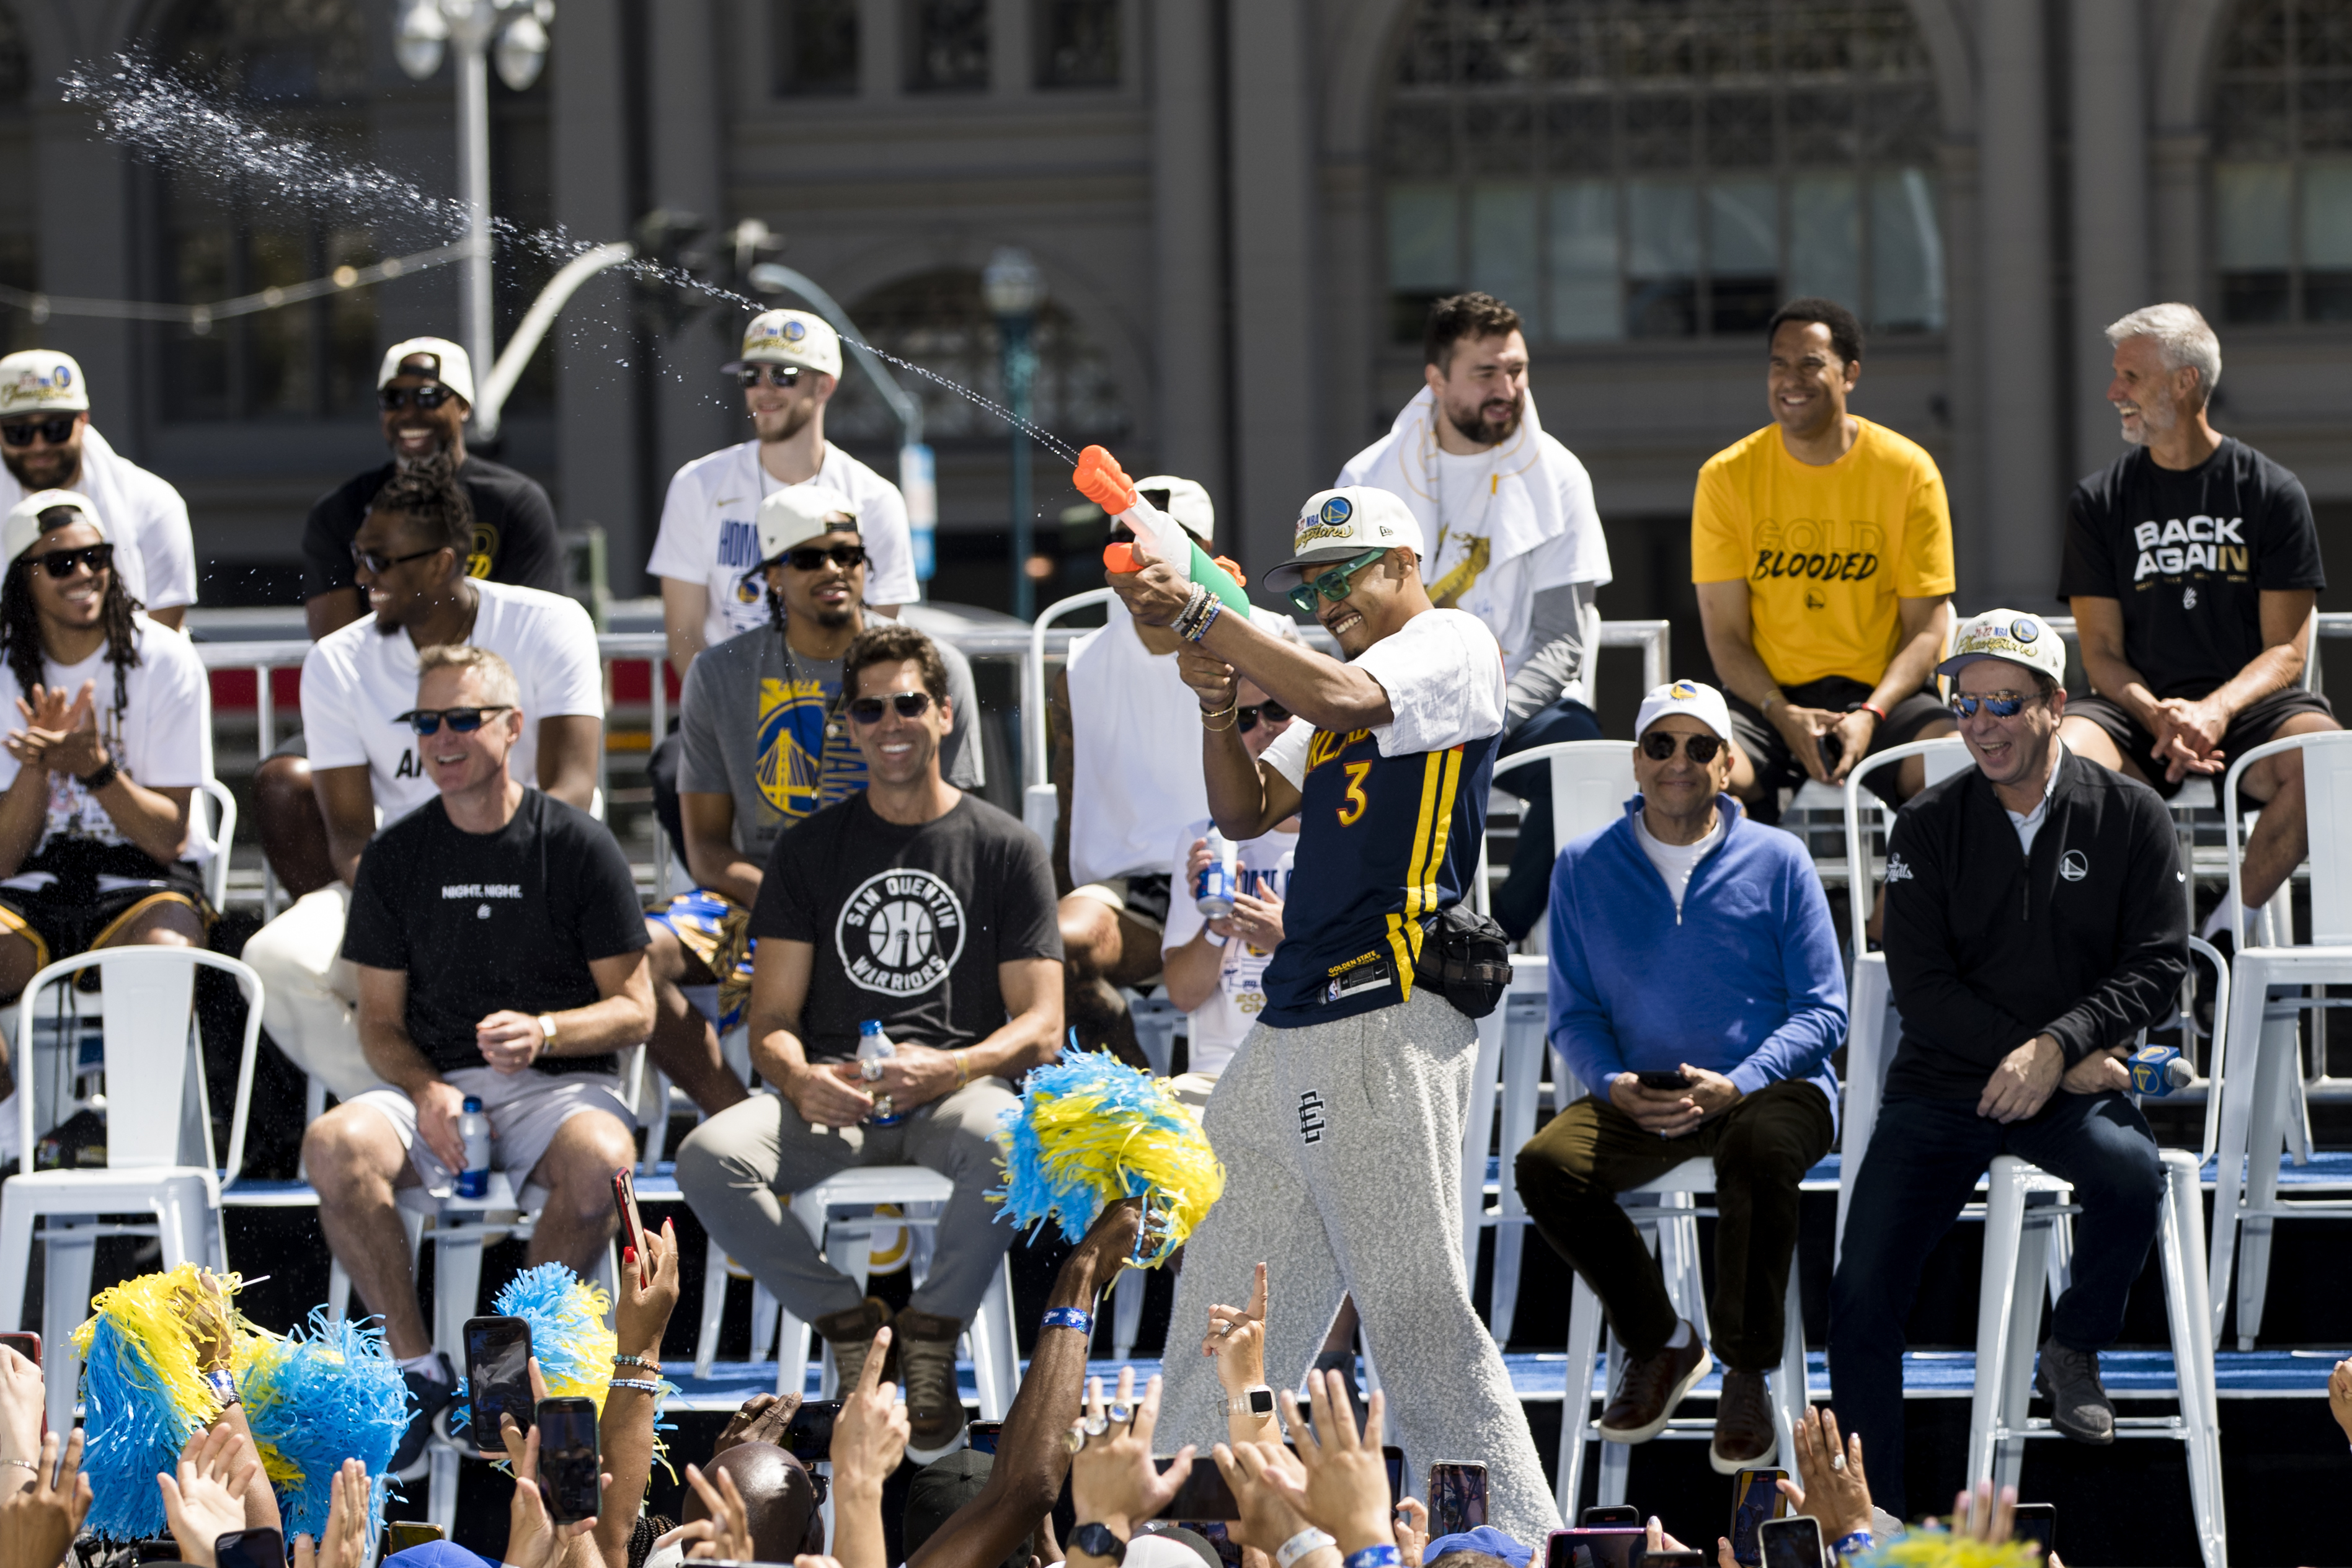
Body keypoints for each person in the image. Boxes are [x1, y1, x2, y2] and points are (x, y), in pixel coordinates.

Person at [1105, 482, 1559, 1538]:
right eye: (1309, 583)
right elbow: (1244, 808)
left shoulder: (1446, 640)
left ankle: (1517, 1545)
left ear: (1405, 561)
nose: (1324, 596)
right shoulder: (1343, 677)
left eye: (1340, 573)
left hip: (1381, 1008)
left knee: (1413, 1316)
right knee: (1220, 1311)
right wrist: (1215, 696)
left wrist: (1207, 617)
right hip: (1295, 1015)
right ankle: (1185, 1528)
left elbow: (1347, 697)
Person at [675, 622, 1062, 1456]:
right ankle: (849, 1325)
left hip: (952, 1090)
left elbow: (1042, 1023)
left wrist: (952, 1065)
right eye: (870, 707)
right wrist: (796, 1077)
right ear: (849, 725)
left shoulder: (1006, 846)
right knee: (706, 1157)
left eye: (909, 703)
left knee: (1008, 1137)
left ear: (945, 714)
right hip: (835, 1097)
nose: (891, 721)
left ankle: (930, 1333)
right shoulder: (810, 851)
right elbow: (771, 1023)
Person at [1829, 609, 2183, 1517]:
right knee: (1859, 1295)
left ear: (2055, 706)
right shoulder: (1926, 823)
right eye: (1963, 703)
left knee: (2131, 1174)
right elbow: (1922, 984)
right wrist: (2040, 1055)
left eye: (2003, 703)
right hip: (1946, 1077)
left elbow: (2160, 965)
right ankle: (1878, 1525)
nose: (1978, 724)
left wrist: (2056, 1048)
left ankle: (2073, 1342)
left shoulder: (2130, 813)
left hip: (2066, 1070)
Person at [300, 644, 653, 1477]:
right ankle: (417, 1370)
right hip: (441, 1085)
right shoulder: (397, 853)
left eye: (463, 718)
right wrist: (424, 1090)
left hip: (559, 1084)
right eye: (426, 722)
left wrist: (547, 1032)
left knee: (606, 1160)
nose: (443, 738)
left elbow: (636, 1008)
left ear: (514, 727)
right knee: (333, 1144)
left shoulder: (575, 843)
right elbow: (380, 1024)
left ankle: (507, 1377)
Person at [1512, 678, 1845, 1472]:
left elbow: (1824, 1011)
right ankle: (1661, 1340)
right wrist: (1610, 1082)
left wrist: (1743, 1078)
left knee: (1760, 1151)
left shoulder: (1781, 858)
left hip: (1771, 1087)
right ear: (1636, 761)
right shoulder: (1582, 866)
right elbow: (1576, 1014)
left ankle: (1746, 1372)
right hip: (1645, 1089)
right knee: (1545, 1165)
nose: (1678, 763)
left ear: (1728, 766)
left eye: (1700, 747)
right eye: (1661, 744)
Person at [242, 464, 605, 1102]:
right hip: (403, 885)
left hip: (540, 874)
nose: (360, 577)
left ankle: (526, 1119)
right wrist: (426, 909)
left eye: (379, 561)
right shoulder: (336, 661)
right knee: (276, 961)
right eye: (359, 556)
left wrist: (488, 890)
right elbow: (352, 835)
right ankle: (423, 1112)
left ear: (441, 564)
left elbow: (571, 790)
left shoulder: (551, 623)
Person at [643, 484, 982, 1118]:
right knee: (635, 954)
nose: (833, 571)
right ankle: (736, 1122)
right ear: (771, 576)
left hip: (900, 898)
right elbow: (709, 849)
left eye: (848, 556)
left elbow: (957, 830)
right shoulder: (718, 674)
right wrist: (796, 902)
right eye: (808, 558)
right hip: (765, 897)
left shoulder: (930, 670)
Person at [2055, 303, 2336, 946]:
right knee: (2059, 760)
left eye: (2129, 376)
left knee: (2326, 760)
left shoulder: (2270, 491)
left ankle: (2228, 929)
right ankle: (2153, 933)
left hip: (2247, 706)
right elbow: (2098, 651)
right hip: (2134, 712)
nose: (2112, 392)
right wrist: (2160, 715)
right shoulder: (2098, 501)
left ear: (2183, 382)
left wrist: (2212, 711)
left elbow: (2285, 652)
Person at [1338, 292, 1612, 939]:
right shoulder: (1368, 476)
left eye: (1516, 370)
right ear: (1436, 379)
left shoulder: (1560, 475)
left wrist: (1489, 715)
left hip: (1517, 703)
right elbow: (1349, 624)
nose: (1507, 389)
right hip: (1402, 696)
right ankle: (1398, 937)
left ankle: (1496, 938)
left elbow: (1560, 638)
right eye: (1485, 373)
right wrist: (1414, 703)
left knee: (1582, 763)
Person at [647, 310, 921, 864]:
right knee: (670, 767)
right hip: (729, 693)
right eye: (751, 376)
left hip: (843, 700)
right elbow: (683, 631)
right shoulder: (698, 485)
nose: (763, 391)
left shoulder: (873, 498)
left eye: (782, 376)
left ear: (825, 386)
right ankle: (734, 907)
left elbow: (882, 636)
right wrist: (728, 707)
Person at [1692, 298, 1957, 822]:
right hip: (1768, 700)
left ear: (1849, 373)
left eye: (1810, 363)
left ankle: (1894, 906)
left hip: (1884, 697)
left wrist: (1871, 713)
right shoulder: (1724, 476)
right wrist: (1782, 712)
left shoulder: (1907, 470)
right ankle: (1762, 903)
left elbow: (1927, 632)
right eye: (1778, 363)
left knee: (1955, 767)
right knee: (1693, 770)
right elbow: (1724, 636)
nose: (1791, 378)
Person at [0, 492, 211, 1132]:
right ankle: (14, 1139)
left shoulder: (166, 659)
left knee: (165, 957)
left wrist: (94, 770)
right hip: (30, 881)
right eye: (62, 563)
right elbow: (5, 858)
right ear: (22, 578)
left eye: (98, 557)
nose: (86, 573)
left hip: (142, 881)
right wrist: (39, 766)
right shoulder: (5, 670)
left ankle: (136, 1160)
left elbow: (170, 839)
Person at [1053, 474, 1277, 1061]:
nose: (1146, 564)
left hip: (1261, 867)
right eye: (1127, 546)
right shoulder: (1077, 669)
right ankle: (1146, 1114)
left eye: (1170, 547)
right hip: (1132, 890)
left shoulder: (1270, 639)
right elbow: (1069, 808)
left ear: (1202, 557)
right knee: (1053, 944)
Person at [301, 339, 565, 640]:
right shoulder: (340, 510)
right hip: (380, 684)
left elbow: (535, 627)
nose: (409, 412)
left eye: (428, 397)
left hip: (490, 681)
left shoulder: (515, 502)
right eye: (393, 399)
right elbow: (338, 649)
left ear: (464, 406)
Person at [1157, 676, 1298, 1105]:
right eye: (1243, 717)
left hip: (1312, 1070)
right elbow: (1183, 996)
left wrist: (1285, 938)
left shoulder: (1346, 837)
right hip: (1219, 1074)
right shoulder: (1205, 840)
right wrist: (1215, 927)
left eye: (1277, 709)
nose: (1264, 728)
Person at [0, 349, 198, 629]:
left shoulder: (154, 503)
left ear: (83, 421)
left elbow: (164, 634)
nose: (38, 445)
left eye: (55, 428)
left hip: (128, 672)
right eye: (18, 432)